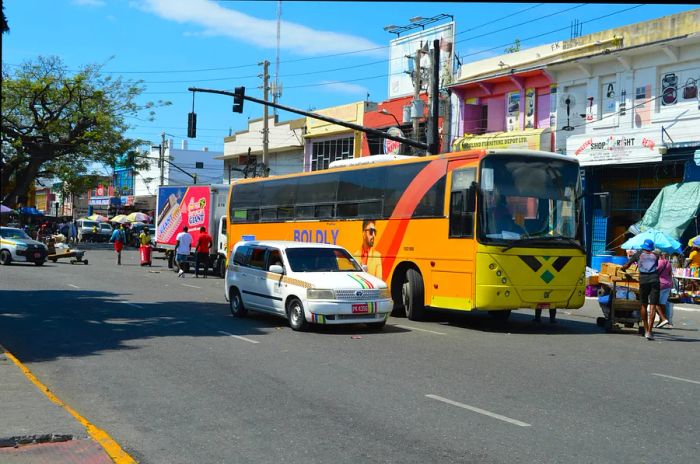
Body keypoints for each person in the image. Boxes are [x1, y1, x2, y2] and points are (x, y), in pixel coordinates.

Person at [621, 238, 660, 340]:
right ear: (651, 247)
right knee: (653, 305)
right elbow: (654, 266)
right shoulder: (656, 255)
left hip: (644, 281)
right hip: (655, 280)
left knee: (643, 304)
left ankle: (646, 329)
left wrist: (623, 268)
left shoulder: (637, 254)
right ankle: (649, 331)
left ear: (643, 246)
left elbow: (627, 265)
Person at [656, 251, 674, 329]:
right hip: (668, 284)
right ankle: (661, 321)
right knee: (662, 303)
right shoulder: (668, 263)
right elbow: (670, 273)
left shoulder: (659, 262)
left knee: (655, 303)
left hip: (660, 284)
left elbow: (655, 273)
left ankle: (663, 319)